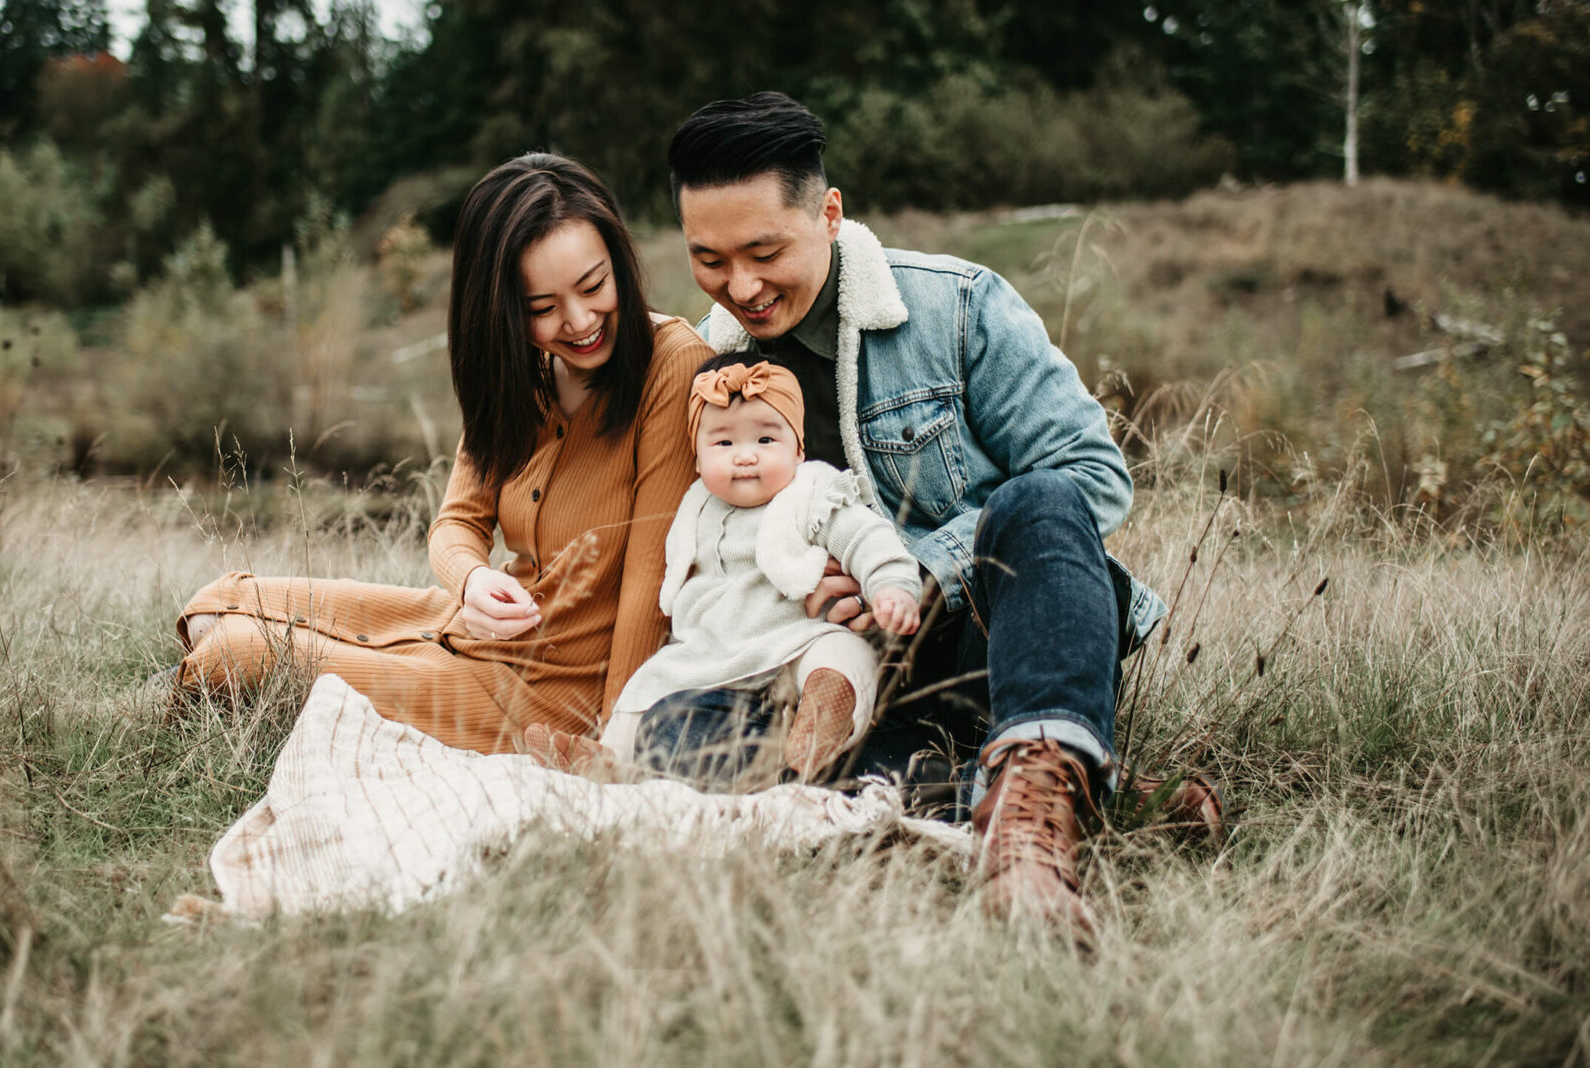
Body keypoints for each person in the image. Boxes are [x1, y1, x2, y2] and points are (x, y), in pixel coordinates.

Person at [654, 91, 1173, 928]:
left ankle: (1029, 833)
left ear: (828, 214)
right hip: (851, 678)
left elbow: (1093, 472)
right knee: (766, 771)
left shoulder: (956, 306)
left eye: (763, 251)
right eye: (709, 259)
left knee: (1040, 496)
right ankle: (1093, 798)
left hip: (1002, 638)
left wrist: (925, 570)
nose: (740, 286)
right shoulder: (712, 367)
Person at [167, 153, 711, 754]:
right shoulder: (520, 373)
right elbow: (457, 523)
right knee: (218, 604)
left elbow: (647, 588)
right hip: (472, 626)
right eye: (542, 308)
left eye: (594, 286)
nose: (580, 321)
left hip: (548, 695)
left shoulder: (672, 363)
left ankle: (217, 689)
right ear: (503, 310)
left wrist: (615, 744)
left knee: (238, 654)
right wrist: (473, 580)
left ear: (619, 265)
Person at [532, 355, 923, 784]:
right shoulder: (694, 505)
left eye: (765, 440)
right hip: (713, 653)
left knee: (843, 656)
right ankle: (609, 757)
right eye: (724, 444)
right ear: (697, 460)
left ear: (799, 448)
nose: (745, 457)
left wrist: (891, 585)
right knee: (646, 685)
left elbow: (865, 537)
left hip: (793, 639)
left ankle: (821, 723)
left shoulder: (810, 493)